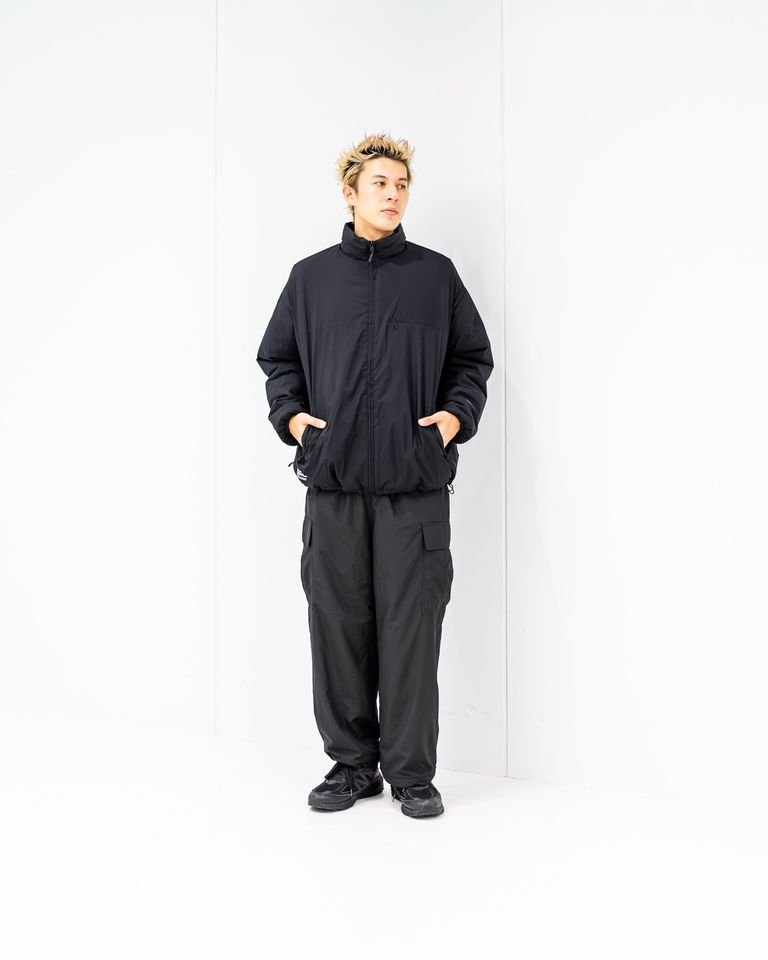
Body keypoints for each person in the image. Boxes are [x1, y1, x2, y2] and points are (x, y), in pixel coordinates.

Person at [256, 132, 494, 818]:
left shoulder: (435, 275)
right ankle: (351, 766)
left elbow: (471, 360)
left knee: (411, 630)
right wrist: (295, 422)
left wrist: (452, 420)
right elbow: (278, 360)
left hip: (414, 489)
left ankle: (412, 774)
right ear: (350, 192)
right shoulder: (310, 279)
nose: (393, 196)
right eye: (380, 184)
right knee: (338, 628)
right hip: (333, 487)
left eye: (402, 186)